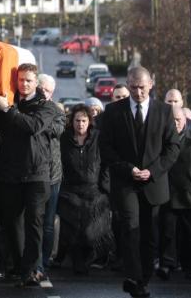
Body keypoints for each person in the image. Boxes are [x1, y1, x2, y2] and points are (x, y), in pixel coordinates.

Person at [99, 66, 181, 298]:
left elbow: (173, 147)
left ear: (151, 85)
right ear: (128, 85)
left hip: (153, 183)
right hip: (126, 182)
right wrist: (128, 169)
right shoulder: (113, 111)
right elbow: (106, 147)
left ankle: (143, 277)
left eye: (142, 87)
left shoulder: (164, 112)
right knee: (130, 228)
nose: (138, 92)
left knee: (149, 234)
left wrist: (152, 171)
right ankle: (134, 277)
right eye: (133, 87)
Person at [0, 62, 56, 287]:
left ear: (36, 82)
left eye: (28, 80)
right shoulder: (8, 101)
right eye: (20, 80)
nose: (24, 84)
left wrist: (9, 110)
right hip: (10, 173)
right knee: (12, 223)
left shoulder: (45, 106)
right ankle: (21, 266)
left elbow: (33, 126)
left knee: (34, 223)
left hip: (37, 174)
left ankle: (31, 269)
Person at [58, 103, 113, 274]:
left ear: (89, 121)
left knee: (91, 225)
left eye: (83, 120)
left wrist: (104, 186)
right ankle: (77, 260)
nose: (80, 124)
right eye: (77, 120)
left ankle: (93, 253)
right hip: (70, 189)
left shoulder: (98, 138)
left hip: (94, 189)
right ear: (72, 122)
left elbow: (106, 162)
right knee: (73, 221)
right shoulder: (64, 139)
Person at [158, 105, 191, 280]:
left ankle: (189, 265)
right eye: (173, 120)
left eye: (179, 120)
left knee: (190, 233)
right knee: (168, 231)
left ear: (185, 121)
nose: (176, 123)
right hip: (168, 192)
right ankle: (167, 264)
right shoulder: (162, 140)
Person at [37, 73, 67, 281]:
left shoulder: (57, 112)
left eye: (47, 90)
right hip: (32, 174)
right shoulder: (26, 107)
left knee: (48, 224)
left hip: (52, 175)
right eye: (41, 89)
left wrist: (37, 121)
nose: (43, 93)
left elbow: (55, 130)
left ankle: (44, 262)